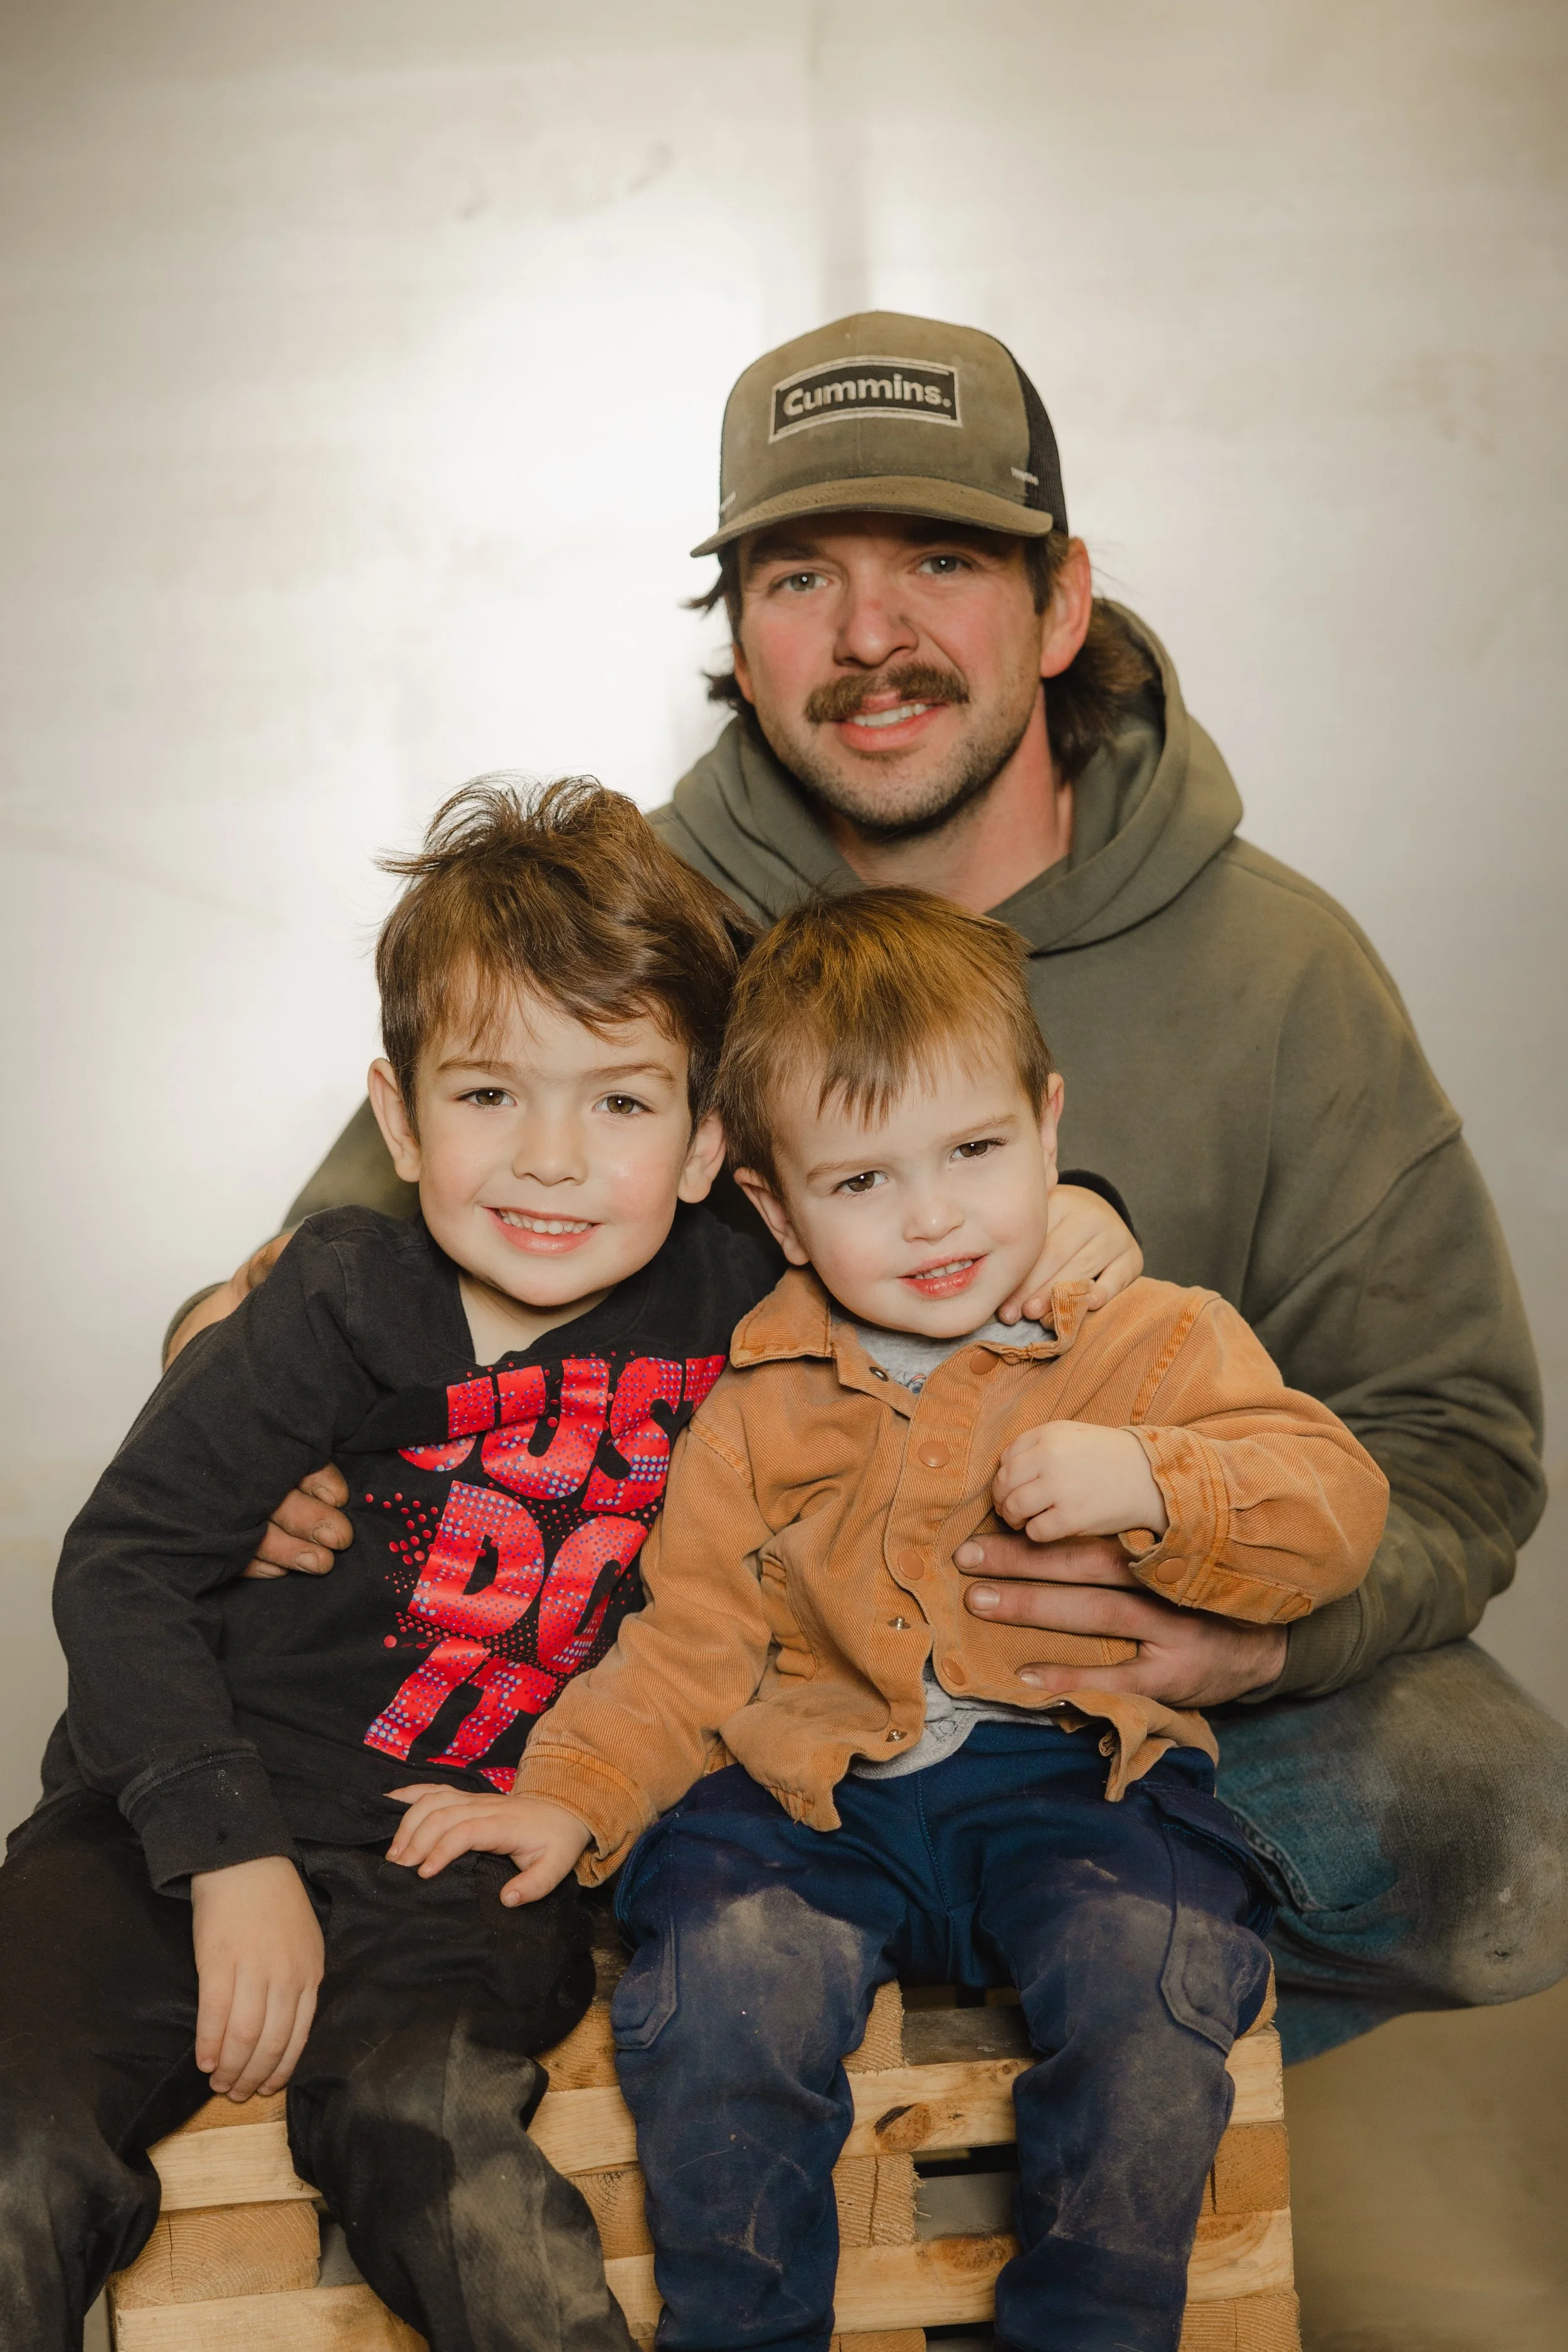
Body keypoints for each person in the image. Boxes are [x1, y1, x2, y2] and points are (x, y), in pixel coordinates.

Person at [174, 310, 1564, 2061]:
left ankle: (1021, 2093)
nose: (869, 634)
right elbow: (334, 1257)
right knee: (442, 1742)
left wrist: (1242, 1644)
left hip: (1096, 1702)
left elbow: (1450, 1443)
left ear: (1059, 605)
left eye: (938, 558)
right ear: (738, 640)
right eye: (795, 577)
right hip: (707, 1678)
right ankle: (740, 2027)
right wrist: (233, 1384)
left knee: (1490, 1814)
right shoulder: (638, 923)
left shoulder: (1278, 968)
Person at [4, 778, 1136, 2352]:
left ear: (706, 1149)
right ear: (398, 1119)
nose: (548, 1160)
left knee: (435, 2140)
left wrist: (1084, 1210)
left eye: (617, 1102)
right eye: (487, 1099)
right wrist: (225, 1857)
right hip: (180, 1817)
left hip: (474, 1846)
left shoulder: (741, 1283)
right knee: (16, 2147)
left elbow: (909, 1193)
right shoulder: (332, 1303)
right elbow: (123, 1564)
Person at [386, 889, 1391, 2352]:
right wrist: (568, 1795)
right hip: (813, 1792)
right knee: (716, 1974)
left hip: (1079, 1776)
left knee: (1156, 1979)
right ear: (776, 1211)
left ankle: (1084, 2330)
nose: (930, 1216)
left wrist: (1156, 1480)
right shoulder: (753, 1402)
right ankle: (747, 2328)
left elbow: (1332, 1509)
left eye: (975, 1152)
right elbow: (687, 1643)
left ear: (1049, 1128)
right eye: (858, 1185)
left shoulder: (1153, 1339)